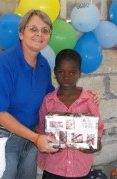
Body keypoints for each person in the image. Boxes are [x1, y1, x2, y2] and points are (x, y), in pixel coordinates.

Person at [0, 9, 100, 179]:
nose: (39, 34)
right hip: (3, 136)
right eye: (33, 29)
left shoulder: (43, 64)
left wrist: (81, 94)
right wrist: (36, 139)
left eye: (45, 30)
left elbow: (52, 95)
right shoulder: (4, 64)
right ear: (21, 33)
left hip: (31, 136)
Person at [36, 49, 104, 179]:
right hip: (53, 167)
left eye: (72, 72)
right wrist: (46, 143)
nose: (66, 77)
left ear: (79, 73)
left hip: (79, 168)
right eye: (61, 72)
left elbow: (98, 128)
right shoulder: (48, 100)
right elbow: (41, 129)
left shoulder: (89, 99)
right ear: (55, 72)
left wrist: (96, 145)